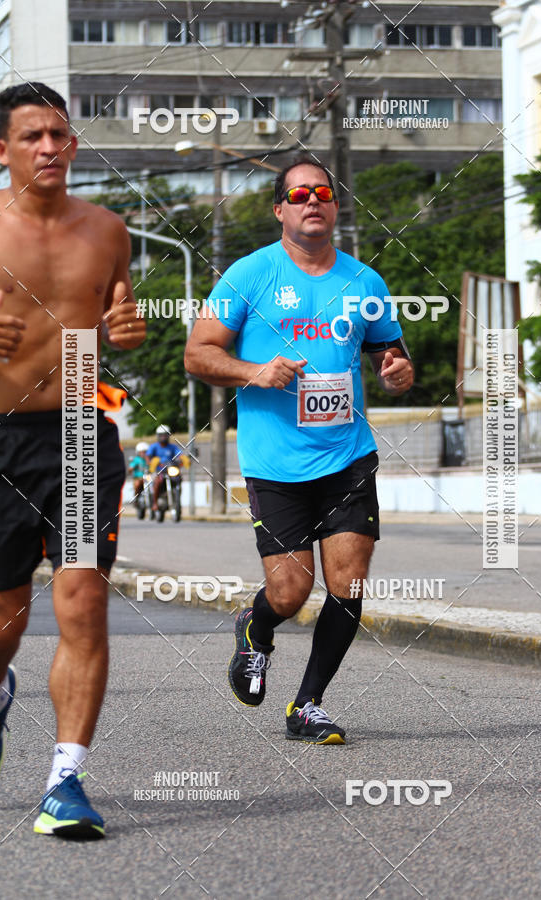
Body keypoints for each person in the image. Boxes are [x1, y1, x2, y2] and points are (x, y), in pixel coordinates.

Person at [184, 154, 414, 744]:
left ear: (335, 207)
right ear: (281, 209)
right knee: (291, 590)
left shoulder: (366, 282)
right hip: (276, 463)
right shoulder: (248, 275)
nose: (313, 201)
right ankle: (255, 630)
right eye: (300, 193)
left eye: (324, 193)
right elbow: (197, 354)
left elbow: (391, 351)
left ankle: (307, 704)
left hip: (347, 457)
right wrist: (253, 371)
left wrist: (396, 370)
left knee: (349, 584)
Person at [0, 82, 146, 837]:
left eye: (60, 135)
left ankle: (66, 782)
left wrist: (126, 332)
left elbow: (118, 327)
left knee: (82, 601)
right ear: (1, 151)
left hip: (82, 433)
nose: (50, 147)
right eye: (32, 137)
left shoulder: (109, 229)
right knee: (1, 619)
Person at [146, 425, 183, 511]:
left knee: (179, 479)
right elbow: (148, 457)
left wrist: (183, 459)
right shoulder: (154, 447)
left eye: (165, 435)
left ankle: (177, 501)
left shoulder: (173, 447)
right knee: (157, 482)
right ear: (158, 436)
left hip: (170, 470)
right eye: (161, 435)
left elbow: (180, 455)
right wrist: (151, 463)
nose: (163, 437)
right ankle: (155, 503)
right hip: (158, 471)